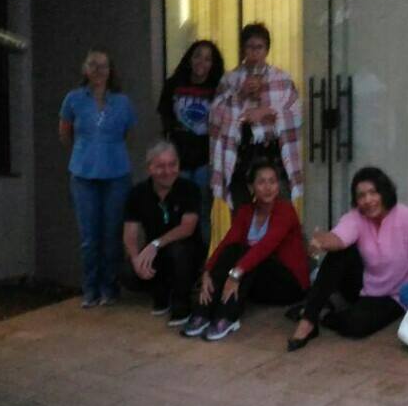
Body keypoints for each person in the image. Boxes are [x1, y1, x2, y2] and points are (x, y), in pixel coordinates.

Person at [287, 167, 408, 349]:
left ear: (385, 192)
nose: (368, 200)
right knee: (340, 253)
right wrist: (322, 241)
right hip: (363, 286)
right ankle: (308, 320)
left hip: (394, 295)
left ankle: (324, 314)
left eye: (373, 193)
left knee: (356, 326)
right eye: (361, 195)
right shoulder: (356, 218)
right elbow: (340, 238)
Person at [183, 160, 310, 342]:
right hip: (257, 282)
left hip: (289, 284)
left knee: (250, 254)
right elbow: (227, 242)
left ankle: (227, 316)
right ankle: (203, 312)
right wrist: (207, 271)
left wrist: (235, 274)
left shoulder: (285, 210)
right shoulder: (245, 211)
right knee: (233, 250)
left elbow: (266, 246)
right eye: (261, 182)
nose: (268, 187)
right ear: (251, 187)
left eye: (272, 182)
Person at [207, 23, 304, 247]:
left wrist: (268, 111)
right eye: (249, 48)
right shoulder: (230, 80)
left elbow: (295, 113)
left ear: (267, 50)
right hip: (241, 155)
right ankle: (243, 265)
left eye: (259, 47)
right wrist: (240, 96)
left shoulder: (281, 78)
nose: (254, 53)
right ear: (242, 50)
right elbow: (216, 116)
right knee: (241, 216)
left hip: (271, 154)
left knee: (281, 210)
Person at [59, 49, 137, 307]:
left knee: (112, 233)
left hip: (117, 173)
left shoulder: (122, 101)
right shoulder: (73, 99)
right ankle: (90, 289)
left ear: (110, 70)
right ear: (85, 69)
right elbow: (65, 133)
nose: (98, 71)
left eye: (103, 66)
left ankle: (110, 288)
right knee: (89, 236)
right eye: (93, 65)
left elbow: (126, 132)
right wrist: (86, 153)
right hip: (83, 174)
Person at [123, 142, 203, 326]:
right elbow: (130, 233)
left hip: (186, 251)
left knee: (178, 252)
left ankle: (181, 302)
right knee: (127, 272)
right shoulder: (137, 193)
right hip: (157, 251)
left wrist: (155, 244)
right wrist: (136, 259)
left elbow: (187, 228)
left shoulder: (189, 189)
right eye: (160, 166)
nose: (168, 171)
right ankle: (161, 293)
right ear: (149, 168)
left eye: (172, 164)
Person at [157, 40, 225, 242]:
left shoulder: (219, 89)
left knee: (202, 212)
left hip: (206, 160)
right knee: (179, 213)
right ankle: (181, 261)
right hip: (178, 160)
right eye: (197, 56)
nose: (201, 62)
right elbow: (165, 119)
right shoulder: (174, 85)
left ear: (213, 64)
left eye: (207, 58)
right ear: (189, 58)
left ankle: (201, 264)